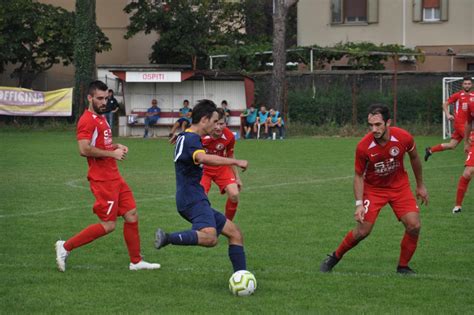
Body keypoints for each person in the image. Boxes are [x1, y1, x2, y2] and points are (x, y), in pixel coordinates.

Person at [55, 80, 160, 272]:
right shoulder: (86, 120)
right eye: (100, 98)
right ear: (90, 98)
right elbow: (84, 149)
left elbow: (100, 145)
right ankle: (65, 246)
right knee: (108, 225)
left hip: (115, 177)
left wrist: (116, 146)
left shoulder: (101, 118)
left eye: (106, 98)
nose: (104, 102)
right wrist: (112, 154)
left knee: (131, 215)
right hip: (102, 180)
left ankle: (136, 261)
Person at [320, 104, 429, 275]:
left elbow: (414, 158)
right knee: (363, 231)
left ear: (388, 122)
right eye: (370, 125)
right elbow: (358, 176)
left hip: (399, 187)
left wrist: (420, 185)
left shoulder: (404, 137)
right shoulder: (364, 146)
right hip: (374, 189)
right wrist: (358, 204)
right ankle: (334, 257)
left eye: (378, 124)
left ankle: (403, 267)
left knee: (414, 226)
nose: (374, 129)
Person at [154, 100, 249, 274]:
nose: (216, 126)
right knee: (211, 238)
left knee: (235, 233)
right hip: (192, 199)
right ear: (204, 120)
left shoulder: (188, 137)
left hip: (194, 198)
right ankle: (167, 237)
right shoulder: (190, 139)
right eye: (214, 122)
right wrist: (235, 161)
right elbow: (204, 158)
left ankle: (241, 276)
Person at [201, 108, 242, 220]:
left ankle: (228, 225)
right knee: (200, 199)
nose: (219, 127)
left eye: (222, 124)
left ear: (226, 123)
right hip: (203, 169)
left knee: (234, 194)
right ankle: (205, 227)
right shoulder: (202, 134)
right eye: (216, 123)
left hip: (221, 166)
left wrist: (237, 177)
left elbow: (230, 156)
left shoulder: (229, 136)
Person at [425, 76, 474, 161]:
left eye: (469, 84)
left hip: (468, 124)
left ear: (472, 85)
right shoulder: (458, 95)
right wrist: (448, 115)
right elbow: (445, 104)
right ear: (462, 85)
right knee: (470, 141)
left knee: (452, 145)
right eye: (465, 84)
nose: (467, 85)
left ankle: (430, 150)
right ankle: (469, 165)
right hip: (460, 124)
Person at [452, 91, 474, 214]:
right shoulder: (471, 104)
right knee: (467, 173)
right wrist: (466, 142)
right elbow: (469, 123)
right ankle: (458, 206)